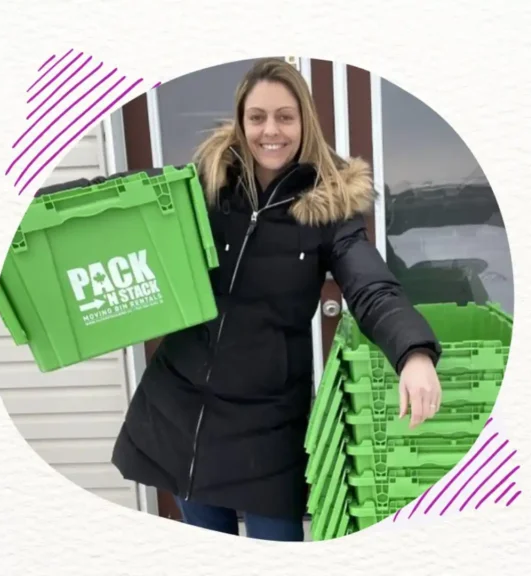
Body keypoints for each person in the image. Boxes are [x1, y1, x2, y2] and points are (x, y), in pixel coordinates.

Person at [111, 58, 443, 542]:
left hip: (265, 425)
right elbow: (124, 229)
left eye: (285, 117)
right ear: (241, 120)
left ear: (305, 120)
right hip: (183, 410)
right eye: (257, 117)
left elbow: (371, 285)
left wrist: (412, 352)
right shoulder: (204, 186)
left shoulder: (329, 206)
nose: (271, 131)